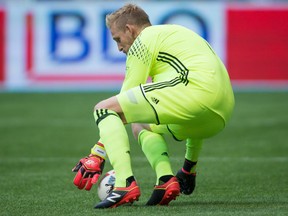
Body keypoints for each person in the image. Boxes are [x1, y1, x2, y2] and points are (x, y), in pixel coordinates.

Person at [72, 3, 234, 209]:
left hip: (196, 94)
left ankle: (123, 184)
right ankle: (166, 179)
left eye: (118, 39)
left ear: (130, 30)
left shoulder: (144, 40)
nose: (119, 48)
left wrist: (98, 154)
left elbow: (121, 105)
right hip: (219, 115)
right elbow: (199, 105)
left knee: (104, 108)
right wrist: (188, 167)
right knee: (140, 122)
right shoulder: (177, 35)